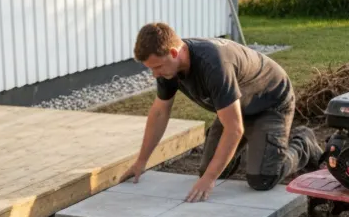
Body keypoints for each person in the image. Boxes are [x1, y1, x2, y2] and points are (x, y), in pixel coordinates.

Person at [121, 22, 322, 203]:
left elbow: (233, 129)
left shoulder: (214, 65)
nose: (155, 74)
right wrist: (141, 162)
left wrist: (209, 181)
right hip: (238, 106)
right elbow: (159, 114)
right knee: (211, 170)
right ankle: (258, 146)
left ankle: (304, 143)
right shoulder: (168, 68)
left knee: (262, 178)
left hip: (269, 101)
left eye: (157, 67)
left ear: (174, 53)